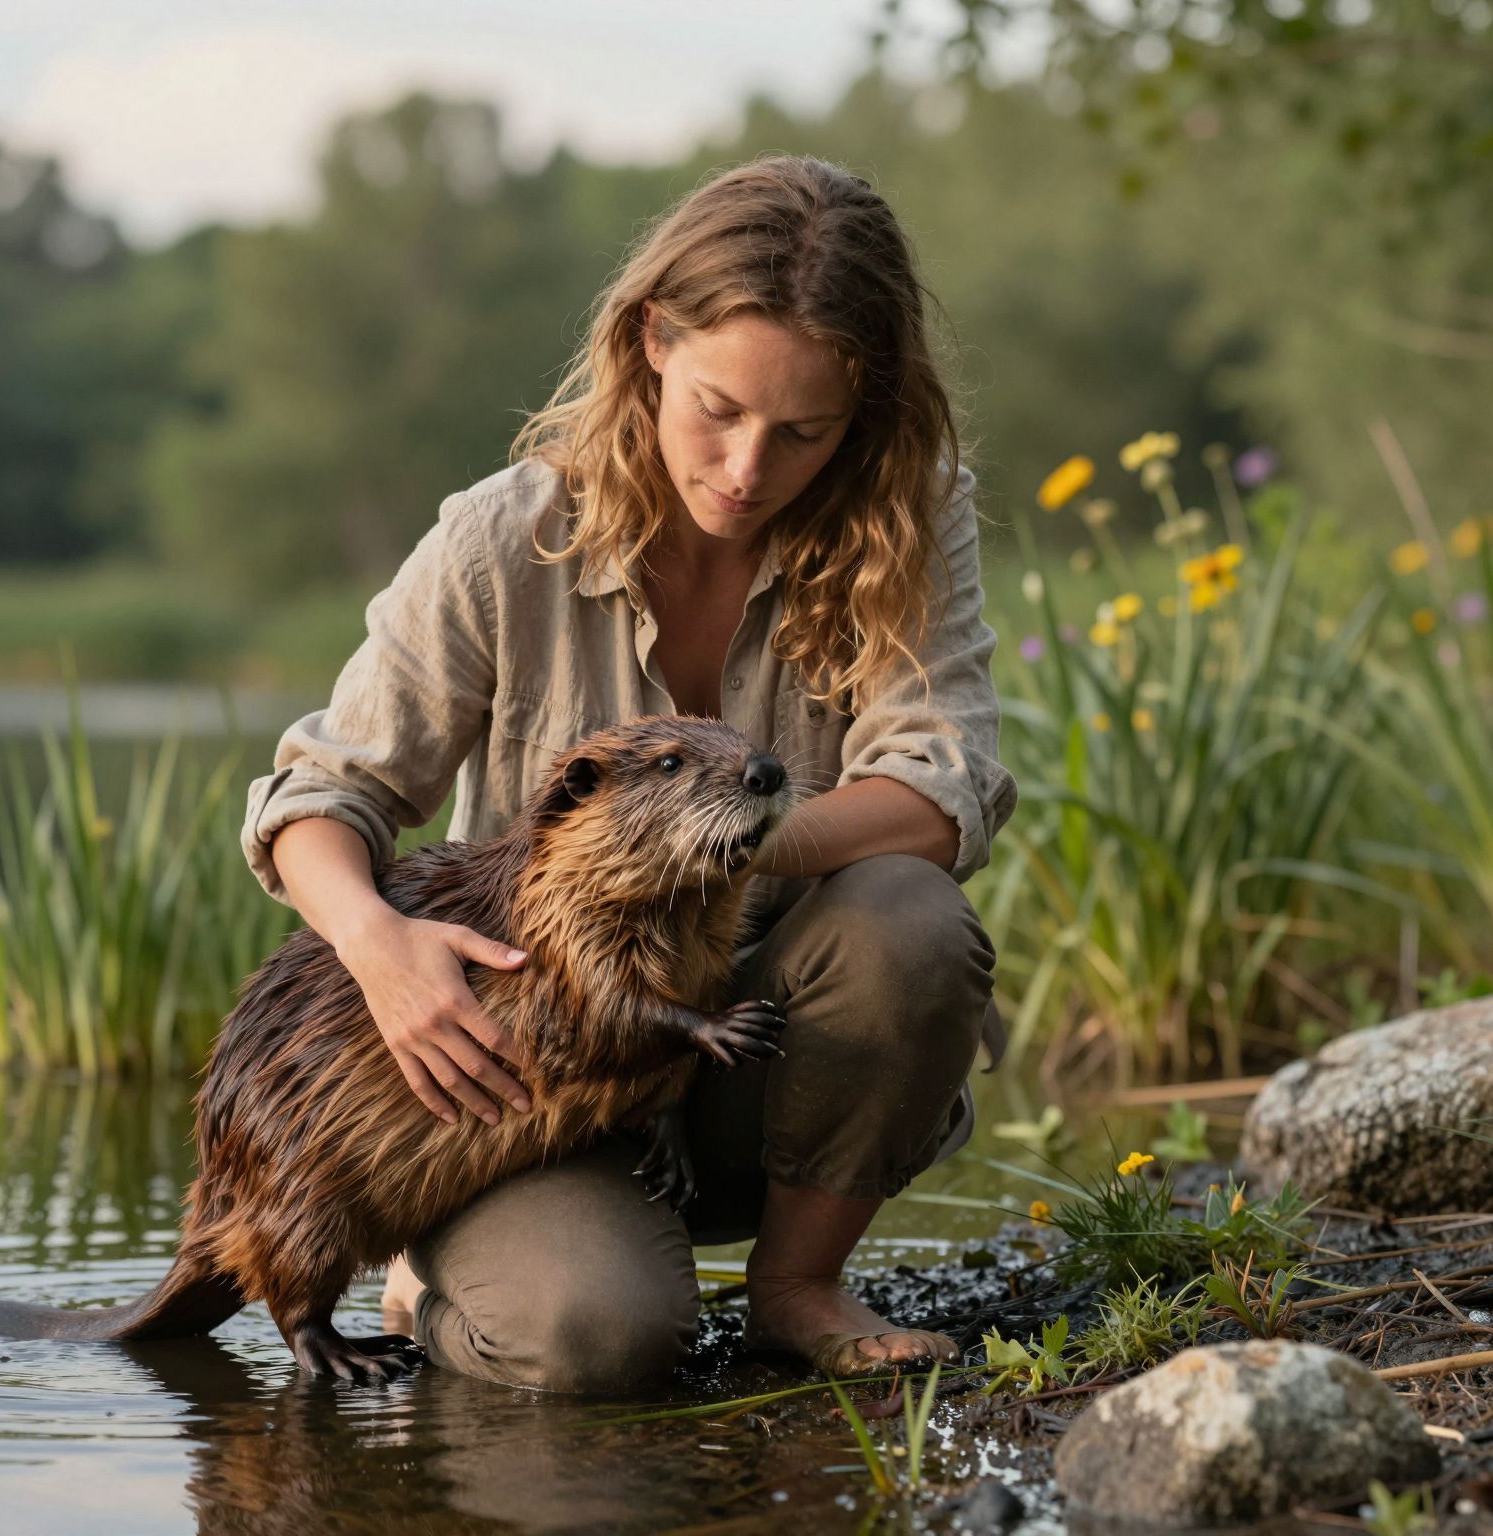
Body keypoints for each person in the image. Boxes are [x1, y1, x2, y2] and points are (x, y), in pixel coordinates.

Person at [240, 154, 1017, 1393]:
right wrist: (380, 951)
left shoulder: (906, 519)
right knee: (592, 1341)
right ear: (653, 339)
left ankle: (796, 1289)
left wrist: (722, 842)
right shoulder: (505, 534)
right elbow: (321, 801)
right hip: (533, 1080)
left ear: (861, 416)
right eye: (718, 407)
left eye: (802, 432)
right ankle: (432, 1270)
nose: (746, 468)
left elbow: (940, 791)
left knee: (908, 921)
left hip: (760, 1056)